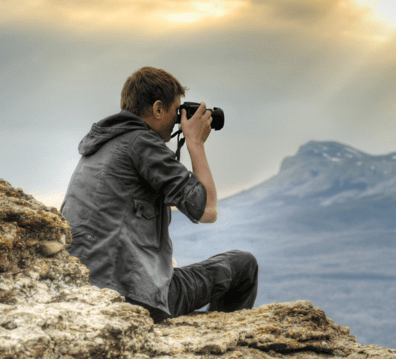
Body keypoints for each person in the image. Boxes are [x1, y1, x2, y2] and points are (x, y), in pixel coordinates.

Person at [61, 66, 258, 322]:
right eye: (177, 111)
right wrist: (195, 143)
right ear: (157, 109)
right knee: (243, 265)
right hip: (130, 295)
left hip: (87, 289)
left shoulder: (101, 145)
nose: (179, 119)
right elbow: (208, 209)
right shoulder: (141, 143)